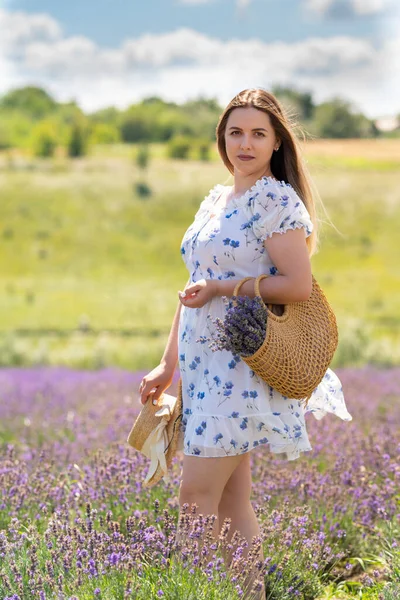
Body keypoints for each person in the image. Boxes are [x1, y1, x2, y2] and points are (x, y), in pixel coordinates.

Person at [138, 88, 353, 598]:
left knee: (194, 498)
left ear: (277, 142)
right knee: (232, 502)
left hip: (241, 368)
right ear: (222, 139)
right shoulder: (217, 199)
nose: (245, 143)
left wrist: (225, 288)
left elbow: (297, 285)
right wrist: (168, 364)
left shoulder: (275, 200)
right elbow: (194, 284)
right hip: (203, 366)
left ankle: (193, 592)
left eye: (258, 133)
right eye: (236, 132)